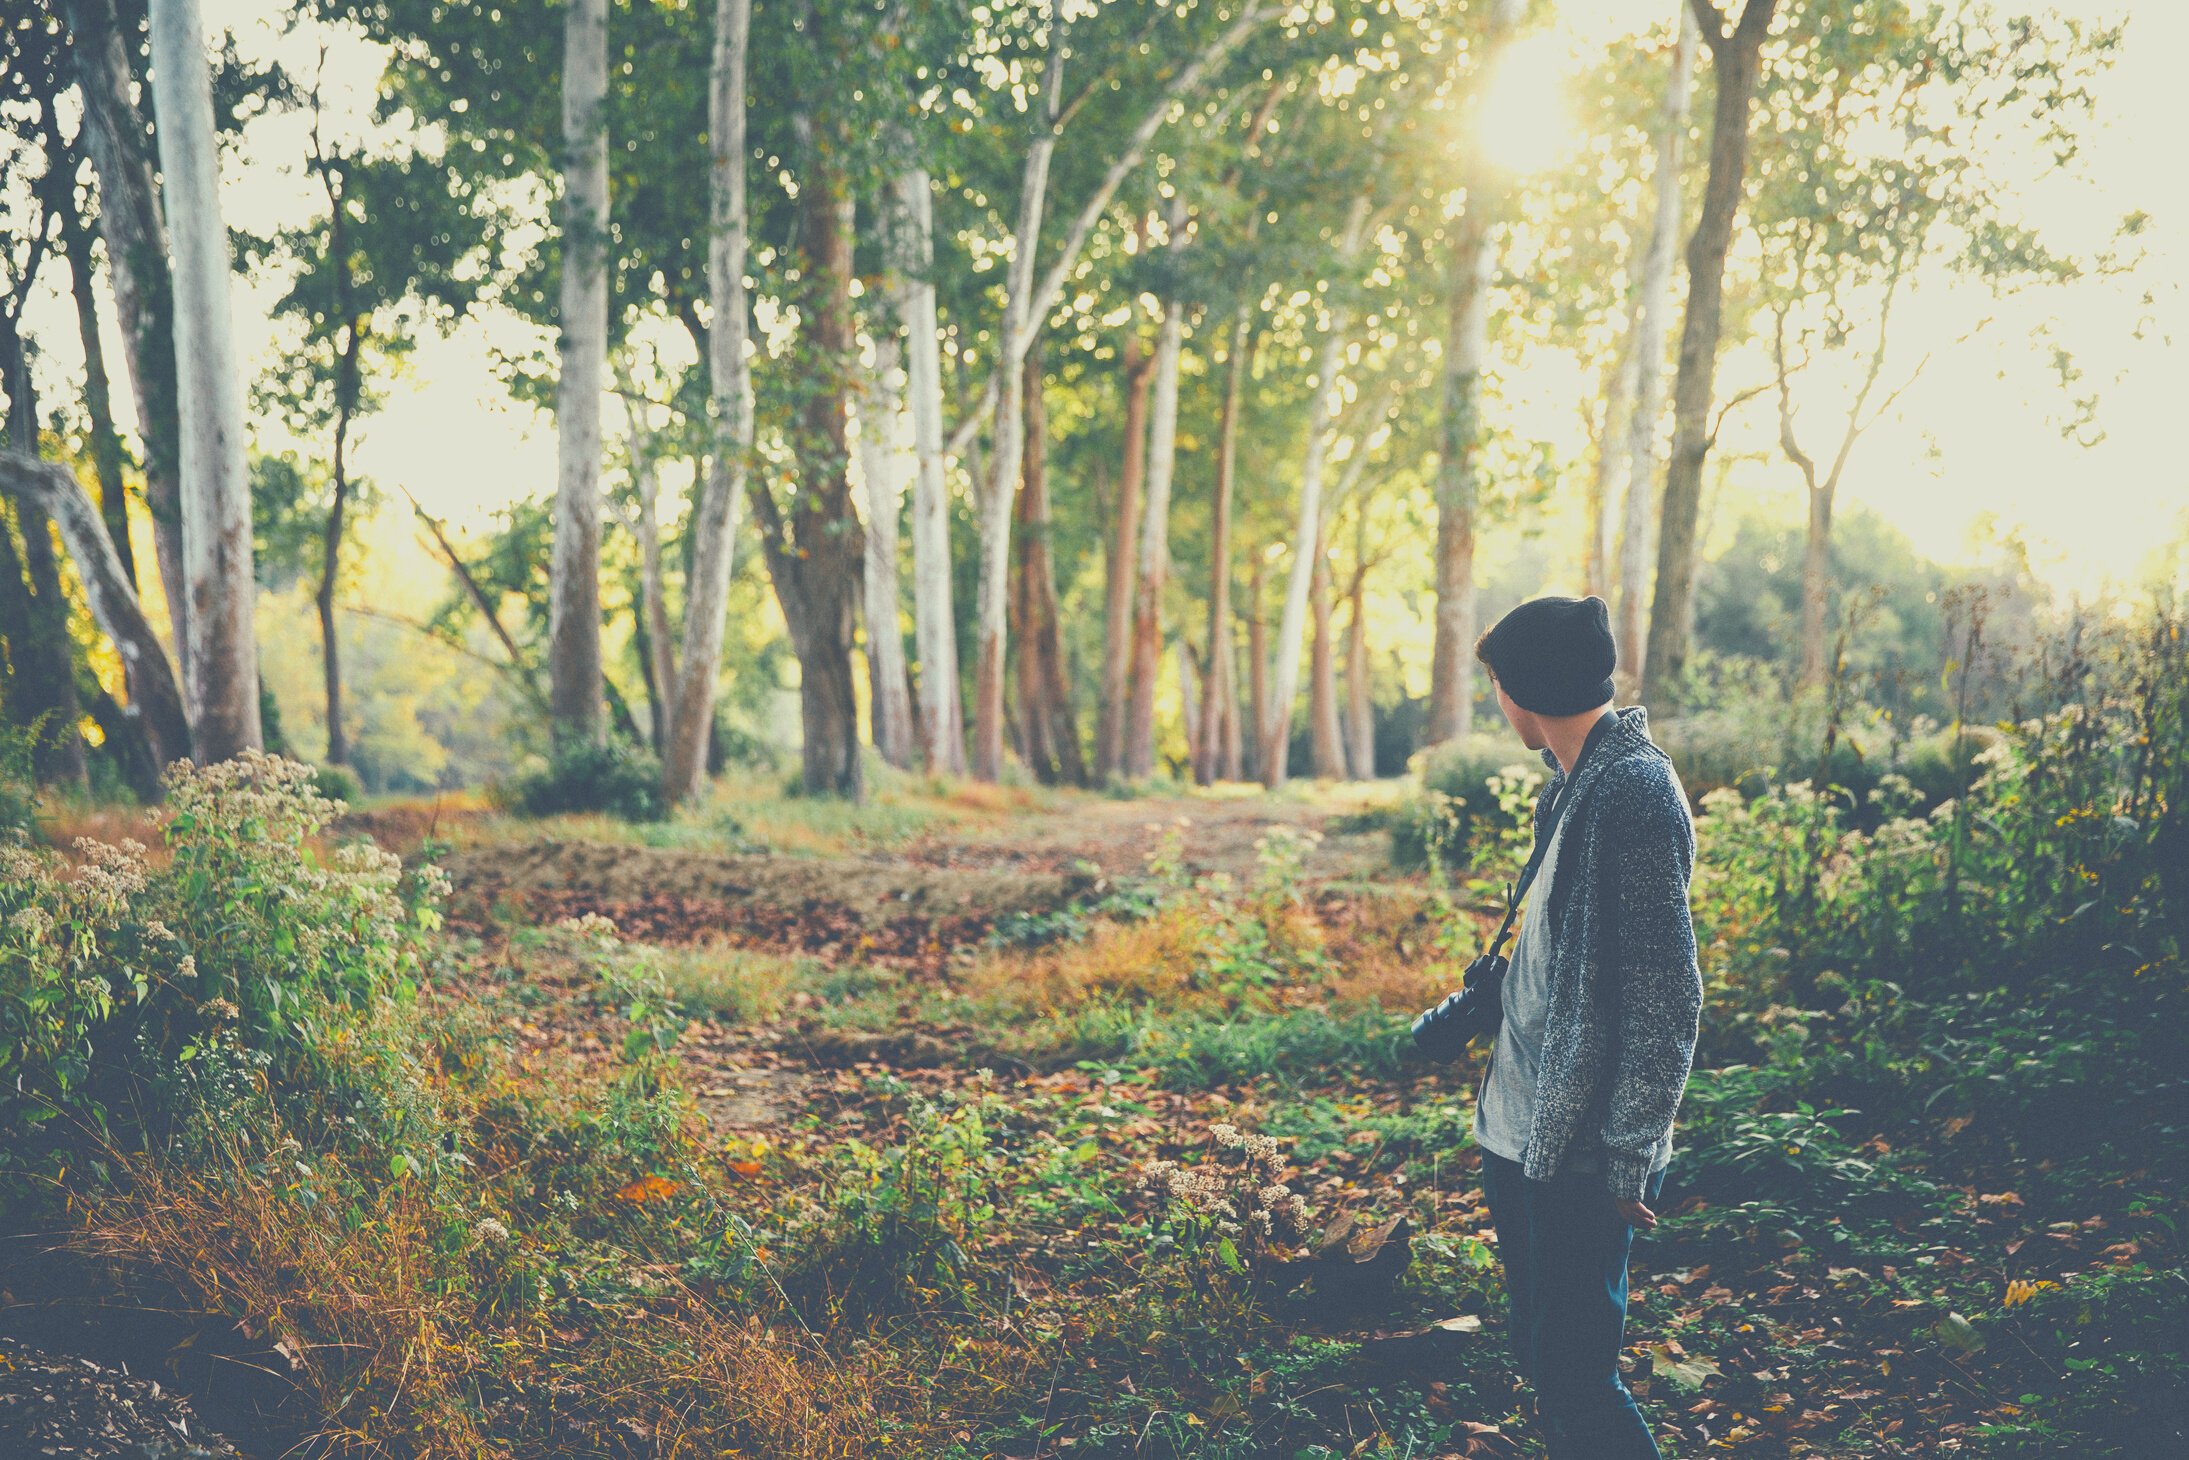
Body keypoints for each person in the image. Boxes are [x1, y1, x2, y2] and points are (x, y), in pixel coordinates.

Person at [1466, 594, 1701, 1460]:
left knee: (1576, 1376)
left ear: (1522, 689)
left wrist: (1632, 1144)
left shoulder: (1633, 792)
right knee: (1538, 1348)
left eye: (1496, 685)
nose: (1497, 703)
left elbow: (1666, 992)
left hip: (1582, 1149)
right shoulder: (1573, 784)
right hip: (1521, 1129)